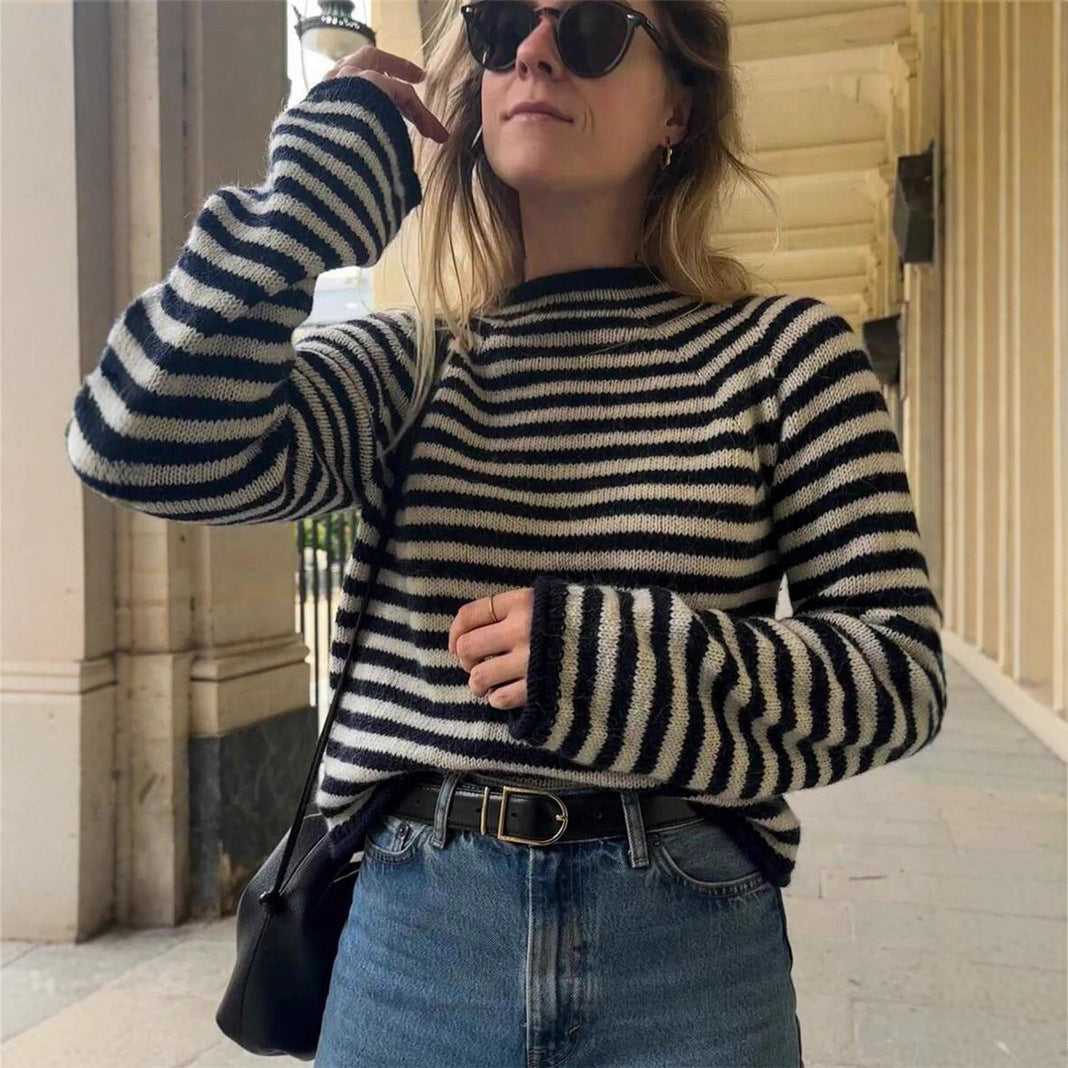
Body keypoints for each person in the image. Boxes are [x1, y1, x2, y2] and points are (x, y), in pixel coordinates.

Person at [65, 1, 948, 1064]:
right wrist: (298, 211)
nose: (532, 50)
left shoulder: (787, 356)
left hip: (689, 953)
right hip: (415, 940)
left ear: (678, 106)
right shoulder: (415, 363)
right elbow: (134, 442)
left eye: (590, 29)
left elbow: (898, 676)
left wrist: (610, 666)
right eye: (498, 25)